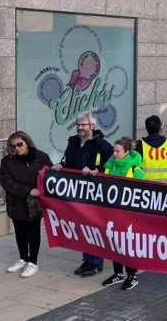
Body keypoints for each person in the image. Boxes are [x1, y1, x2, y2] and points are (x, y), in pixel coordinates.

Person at [52, 111, 113, 277]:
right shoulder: (72, 142)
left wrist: (96, 171)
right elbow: (67, 160)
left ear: (92, 126)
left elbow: (110, 167)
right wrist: (60, 165)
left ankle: (96, 263)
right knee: (81, 228)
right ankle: (87, 259)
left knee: (93, 228)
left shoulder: (102, 145)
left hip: (93, 194)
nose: (79, 127)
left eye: (83, 125)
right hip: (75, 192)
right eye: (78, 124)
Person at [0, 131, 52, 278]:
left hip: (35, 203)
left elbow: (49, 176)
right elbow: (6, 182)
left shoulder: (41, 157)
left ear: (27, 142)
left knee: (34, 232)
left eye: (19, 144)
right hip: (16, 201)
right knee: (20, 231)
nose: (17, 148)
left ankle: (33, 262)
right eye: (13, 146)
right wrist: (28, 190)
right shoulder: (7, 161)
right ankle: (23, 258)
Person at [101, 137, 144, 291]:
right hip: (111, 211)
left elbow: (142, 192)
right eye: (113, 150)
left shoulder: (134, 169)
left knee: (127, 245)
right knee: (114, 242)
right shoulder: (109, 164)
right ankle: (118, 273)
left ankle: (132, 275)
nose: (114, 154)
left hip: (128, 215)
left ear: (127, 152)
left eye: (118, 151)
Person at [134, 115, 167, 184]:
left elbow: (135, 169)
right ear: (160, 128)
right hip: (166, 190)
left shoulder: (140, 145)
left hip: (146, 190)